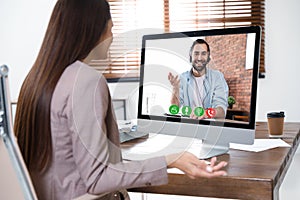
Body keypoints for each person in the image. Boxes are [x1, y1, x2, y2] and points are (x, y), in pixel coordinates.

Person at [13, 1, 227, 199]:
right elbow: (98, 178)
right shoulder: (85, 80)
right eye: (111, 28)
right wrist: (171, 159)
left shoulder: (35, 80)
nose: (112, 37)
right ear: (94, 31)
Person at [168, 39, 229, 119]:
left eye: (203, 54)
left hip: (209, 127)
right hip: (187, 125)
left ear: (208, 57)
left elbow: (221, 111)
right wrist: (175, 89)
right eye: (196, 53)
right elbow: (174, 108)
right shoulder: (182, 78)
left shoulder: (217, 77)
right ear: (190, 56)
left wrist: (206, 113)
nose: (199, 58)